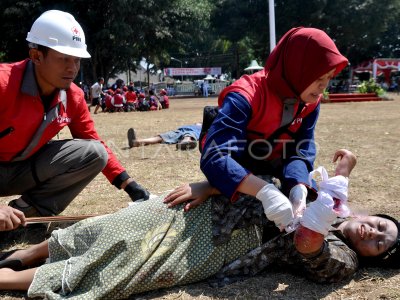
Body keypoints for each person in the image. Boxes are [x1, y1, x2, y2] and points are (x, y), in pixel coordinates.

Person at [0, 149, 398, 298]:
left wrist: (336, 186)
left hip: (222, 248)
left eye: (380, 244)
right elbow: (266, 177)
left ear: (374, 259)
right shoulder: (319, 191)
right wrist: (208, 185)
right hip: (211, 207)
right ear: (372, 216)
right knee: (105, 226)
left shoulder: (343, 261)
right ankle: (17, 258)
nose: (373, 235)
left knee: (116, 268)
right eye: (380, 226)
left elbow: (308, 242)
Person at [0, 10, 149, 218]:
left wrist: (129, 184)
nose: (72, 69)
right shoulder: (3, 84)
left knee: (95, 152)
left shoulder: (73, 96)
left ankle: (27, 212)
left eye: (77, 60)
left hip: (22, 169)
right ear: (36, 56)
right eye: (63, 59)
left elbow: (92, 141)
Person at [200, 27, 349, 231]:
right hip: (243, 166)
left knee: (317, 213)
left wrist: (298, 188)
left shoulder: (310, 101)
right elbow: (215, 157)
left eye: (329, 77)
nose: (324, 86)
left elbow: (301, 149)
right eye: (318, 78)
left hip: (274, 163)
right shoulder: (245, 96)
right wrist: (265, 191)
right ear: (298, 69)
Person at [127, 123, 202, 150]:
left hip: (191, 132)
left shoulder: (207, 127)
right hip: (179, 131)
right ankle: (136, 142)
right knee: (161, 137)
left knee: (189, 134)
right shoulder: (201, 124)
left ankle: (186, 142)